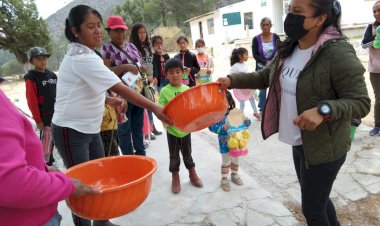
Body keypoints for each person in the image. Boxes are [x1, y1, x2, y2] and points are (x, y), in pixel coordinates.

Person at [217, 0, 370, 225]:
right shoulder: (291, 46)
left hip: (324, 147)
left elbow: (360, 102)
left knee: (312, 210)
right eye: (290, 10)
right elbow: (265, 77)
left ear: (320, 19)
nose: (290, 17)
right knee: (318, 200)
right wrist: (231, 80)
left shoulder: (337, 52)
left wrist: (323, 110)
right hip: (300, 142)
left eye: (298, 12)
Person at [52, 6, 171, 226]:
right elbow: (120, 86)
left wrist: (107, 100)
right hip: (71, 130)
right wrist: (154, 108)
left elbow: (81, 89)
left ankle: (102, 221)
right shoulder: (81, 57)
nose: (97, 31)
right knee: (80, 186)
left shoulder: (89, 54)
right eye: (90, 26)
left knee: (100, 177)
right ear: (76, 30)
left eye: (98, 25)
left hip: (90, 128)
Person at [0, 77, 101, 226]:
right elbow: (10, 183)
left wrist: (42, 169)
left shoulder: (51, 76)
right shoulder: (33, 78)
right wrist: (67, 186)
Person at [101, 16, 150, 156]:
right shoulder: (106, 49)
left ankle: (141, 156)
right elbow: (105, 72)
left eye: (122, 30)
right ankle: (129, 159)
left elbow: (139, 64)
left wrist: (142, 68)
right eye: (116, 30)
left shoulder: (131, 46)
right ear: (109, 32)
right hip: (120, 95)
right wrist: (125, 67)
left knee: (137, 127)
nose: (120, 33)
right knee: (123, 130)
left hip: (138, 91)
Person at [158, 58, 203, 194]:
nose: (175, 75)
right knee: (174, 155)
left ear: (182, 73)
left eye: (178, 72)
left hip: (185, 130)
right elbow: (160, 108)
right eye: (171, 73)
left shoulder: (186, 89)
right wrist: (167, 120)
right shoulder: (165, 91)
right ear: (166, 75)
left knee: (187, 154)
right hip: (172, 130)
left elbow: (192, 106)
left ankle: (192, 173)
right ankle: (175, 176)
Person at [209, 91, 251, 192]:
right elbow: (211, 127)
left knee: (236, 160)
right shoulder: (217, 115)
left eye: (225, 102)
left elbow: (245, 122)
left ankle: (234, 174)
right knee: (226, 161)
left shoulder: (235, 113)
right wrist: (222, 127)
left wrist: (247, 121)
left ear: (230, 102)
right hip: (224, 144)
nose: (224, 105)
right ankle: (224, 178)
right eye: (220, 103)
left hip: (237, 143)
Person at [24, 47, 57, 166]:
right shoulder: (31, 77)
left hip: (57, 114)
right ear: (31, 61)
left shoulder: (52, 75)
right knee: (46, 142)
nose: (42, 61)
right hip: (44, 116)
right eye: (38, 59)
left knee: (55, 138)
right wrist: (38, 120)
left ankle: (51, 160)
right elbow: (31, 100)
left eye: (44, 58)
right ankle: (44, 164)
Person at [130, 22, 162, 139]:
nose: (142, 35)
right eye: (139, 32)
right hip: (140, 81)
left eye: (144, 32)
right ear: (134, 34)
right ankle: (146, 131)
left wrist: (154, 76)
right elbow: (136, 65)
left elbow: (153, 63)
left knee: (151, 102)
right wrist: (145, 75)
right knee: (144, 105)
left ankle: (152, 128)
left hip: (150, 80)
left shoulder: (147, 46)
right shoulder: (132, 47)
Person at [252, 17, 280, 118]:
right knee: (262, 90)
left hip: (274, 67)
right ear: (261, 26)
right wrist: (265, 62)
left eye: (267, 24)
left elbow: (280, 50)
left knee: (274, 88)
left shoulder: (276, 37)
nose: (265, 27)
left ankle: (274, 110)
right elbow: (255, 54)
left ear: (270, 26)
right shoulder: (256, 39)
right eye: (263, 25)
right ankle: (262, 111)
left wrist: (273, 62)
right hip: (261, 67)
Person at [362, 0, 380, 136]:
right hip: (376, 70)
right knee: (379, 98)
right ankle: (378, 125)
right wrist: (376, 37)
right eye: (374, 11)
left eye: (379, 10)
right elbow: (364, 44)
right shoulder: (371, 27)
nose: (376, 13)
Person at [229, 47, 261, 120]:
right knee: (242, 102)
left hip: (247, 87)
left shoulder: (244, 65)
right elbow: (230, 75)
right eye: (246, 54)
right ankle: (241, 115)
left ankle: (256, 113)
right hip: (240, 88)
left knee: (252, 100)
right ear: (240, 56)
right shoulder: (235, 66)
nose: (248, 56)